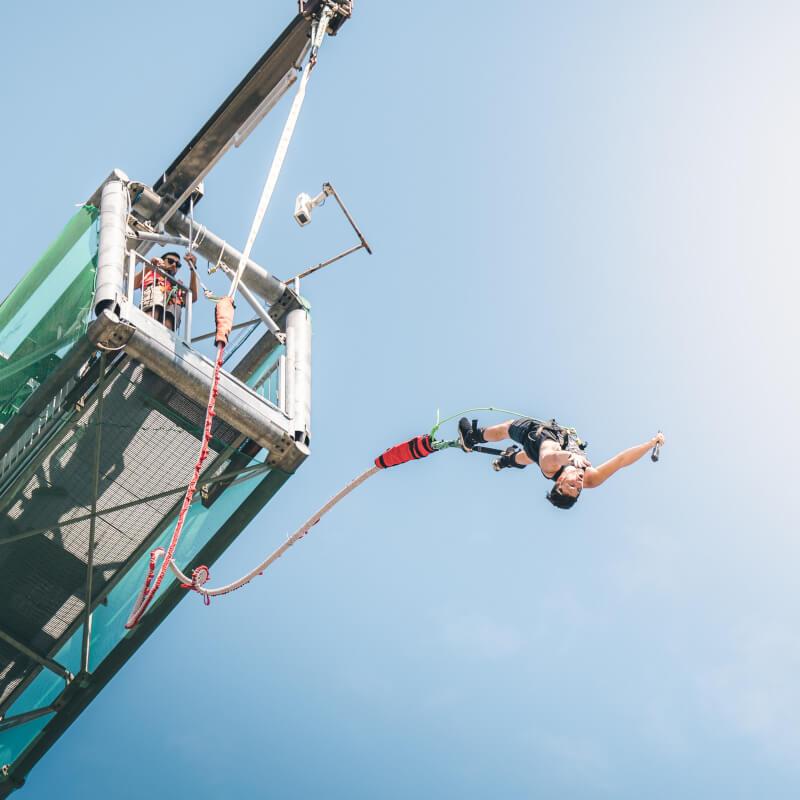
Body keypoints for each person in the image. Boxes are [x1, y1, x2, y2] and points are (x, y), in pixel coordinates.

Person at [458, 416, 665, 510]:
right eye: (579, 489)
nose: (579, 483)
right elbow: (621, 460)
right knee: (530, 458)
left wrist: (571, 457)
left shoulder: (550, 466)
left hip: (539, 438)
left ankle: (471, 437)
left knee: (506, 429)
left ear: (559, 482)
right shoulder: (591, 479)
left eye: (571, 485)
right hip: (554, 442)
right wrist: (650, 444)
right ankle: (510, 460)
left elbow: (553, 456)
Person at [133, 251, 199, 331]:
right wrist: (150, 266)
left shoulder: (178, 286)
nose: (174, 265)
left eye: (178, 264)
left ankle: (165, 333)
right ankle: (146, 326)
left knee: (175, 304)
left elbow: (192, 297)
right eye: (170, 261)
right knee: (157, 295)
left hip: (171, 306)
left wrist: (193, 268)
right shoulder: (151, 272)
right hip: (155, 297)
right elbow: (133, 283)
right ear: (162, 261)